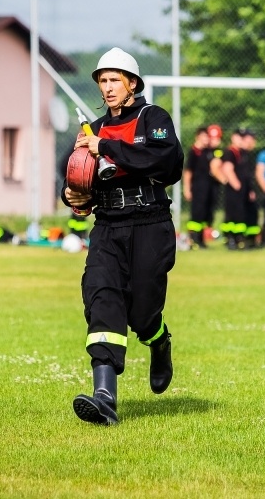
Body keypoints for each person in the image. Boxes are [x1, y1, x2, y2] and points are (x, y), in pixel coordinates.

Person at [61, 47, 184, 425]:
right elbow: (73, 177)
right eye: (103, 80)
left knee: (142, 312)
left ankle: (158, 341)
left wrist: (108, 147)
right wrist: (70, 194)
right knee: (102, 298)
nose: (109, 86)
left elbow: (167, 162)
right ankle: (104, 397)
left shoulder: (153, 118)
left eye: (116, 79)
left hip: (150, 224)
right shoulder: (91, 131)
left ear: (132, 84)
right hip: (108, 227)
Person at [220, 128, 254, 250]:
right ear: (233, 137)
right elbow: (227, 168)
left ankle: (239, 238)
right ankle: (230, 239)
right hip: (234, 189)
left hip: (243, 188)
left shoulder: (243, 152)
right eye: (239, 137)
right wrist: (236, 184)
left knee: (240, 213)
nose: (241, 139)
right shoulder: (230, 152)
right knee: (232, 213)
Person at [183, 126, 213, 249]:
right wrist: (187, 188)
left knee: (205, 213)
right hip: (197, 186)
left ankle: (201, 240)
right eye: (204, 137)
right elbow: (188, 172)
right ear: (198, 137)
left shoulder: (208, 152)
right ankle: (193, 239)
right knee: (197, 213)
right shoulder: (193, 152)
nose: (206, 139)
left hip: (207, 186)